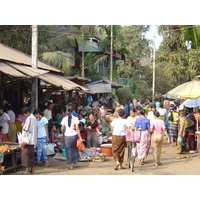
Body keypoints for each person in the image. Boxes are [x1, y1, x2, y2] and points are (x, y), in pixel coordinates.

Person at [61, 105, 82, 170]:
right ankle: (75, 162)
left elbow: (62, 128)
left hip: (67, 136)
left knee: (69, 150)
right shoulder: (75, 118)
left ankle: (71, 165)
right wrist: (80, 137)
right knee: (75, 149)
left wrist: (63, 135)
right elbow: (77, 129)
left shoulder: (64, 119)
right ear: (73, 111)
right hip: (74, 135)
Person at [21, 107, 38, 175]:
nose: (24, 116)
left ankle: (27, 169)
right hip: (32, 139)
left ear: (27, 112)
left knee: (25, 154)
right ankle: (32, 169)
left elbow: (26, 129)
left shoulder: (29, 118)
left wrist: (23, 125)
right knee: (31, 154)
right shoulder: (34, 118)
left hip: (28, 139)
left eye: (24, 114)